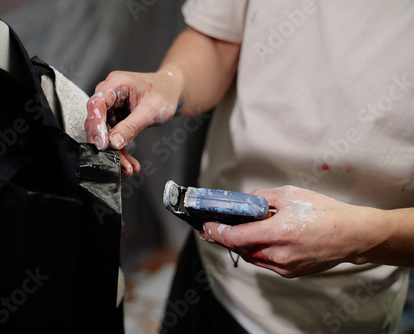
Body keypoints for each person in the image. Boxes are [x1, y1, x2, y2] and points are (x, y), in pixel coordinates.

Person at [85, 0, 414, 333]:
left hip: (347, 313)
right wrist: (169, 83)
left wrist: (362, 238)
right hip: (209, 275)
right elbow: (216, 40)